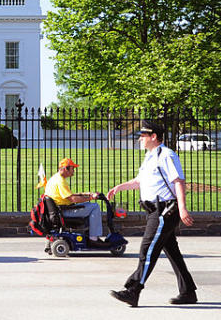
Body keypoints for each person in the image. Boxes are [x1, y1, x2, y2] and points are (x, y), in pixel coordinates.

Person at [107, 121, 197, 307]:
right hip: (154, 210)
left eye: (143, 135)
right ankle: (188, 291)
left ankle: (133, 290)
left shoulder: (167, 155)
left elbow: (178, 181)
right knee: (172, 251)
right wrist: (119, 187)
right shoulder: (150, 156)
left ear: (154, 136)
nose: (140, 138)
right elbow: (139, 181)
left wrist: (182, 208)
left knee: (147, 250)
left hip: (165, 210)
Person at [44, 158, 108, 246]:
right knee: (94, 206)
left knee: (89, 205)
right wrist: (91, 198)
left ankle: (89, 234)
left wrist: (85, 194)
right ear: (66, 168)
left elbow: (68, 195)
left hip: (60, 210)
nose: (73, 171)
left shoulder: (54, 178)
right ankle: (93, 238)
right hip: (65, 211)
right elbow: (73, 199)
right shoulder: (61, 181)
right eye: (72, 168)